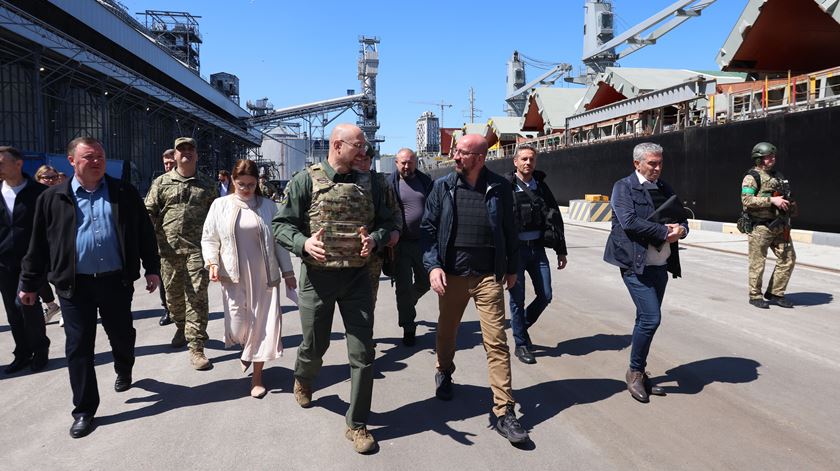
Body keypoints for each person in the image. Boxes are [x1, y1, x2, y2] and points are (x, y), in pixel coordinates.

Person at [18, 137, 160, 438]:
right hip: (74, 285)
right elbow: (39, 244)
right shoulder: (52, 198)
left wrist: (152, 268)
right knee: (78, 348)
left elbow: (144, 232)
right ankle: (84, 410)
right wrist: (29, 283)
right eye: (88, 156)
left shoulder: (123, 191)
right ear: (71, 161)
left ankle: (124, 366)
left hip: (115, 281)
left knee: (122, 335)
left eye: (100, 156)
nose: (96, 161)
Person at [273, 123, 396, 454]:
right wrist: (302, 243)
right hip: (317, 279)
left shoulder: (374, 183)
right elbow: (281, 225)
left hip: (357, 278)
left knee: (363, 353)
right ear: (337, 145)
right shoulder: (305, 180)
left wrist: (376, 238)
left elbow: (389, 222)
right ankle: (304, 376)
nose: (364, 151)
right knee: (315, 346)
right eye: (358, 145)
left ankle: (356, 424)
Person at [420, 134, 528, 444]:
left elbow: (510, 229)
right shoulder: (443, 187)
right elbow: (428, 231)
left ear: (479, 158)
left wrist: (511, 267)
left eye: (462, 153)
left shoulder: (500, 188)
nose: (455, 156)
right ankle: (444, 369)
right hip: (451, 275)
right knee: (446, 332)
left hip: (486, 277)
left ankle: (504, 411)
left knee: (496, 341)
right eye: (456, 151)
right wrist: (434, 266)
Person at [202, 159, 297, 398]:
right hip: (233, 275)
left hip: (265, 277)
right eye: (241, 184)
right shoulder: (219, 205)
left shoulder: (268, 207)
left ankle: (257, 377)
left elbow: (279, 243)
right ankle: (247, 350)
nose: (246, 189)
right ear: (233, 181)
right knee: (237, 327)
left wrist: (288, 273)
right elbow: (209, 238)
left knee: (262, 326)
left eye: (251, 184)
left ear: (258, 183)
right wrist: (212, 262)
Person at [603, 142, 688, 404]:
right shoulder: (623, 187)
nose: (657, 168)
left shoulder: (664, 187)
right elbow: (628, 221)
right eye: (652, 163)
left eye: (660, 163)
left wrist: (682, 231)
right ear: (637, 163)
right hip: (635, 265)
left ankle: (639, 369)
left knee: (644, 319)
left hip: (660, 265)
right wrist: (664, 232)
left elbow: (681, 216)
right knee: (651, 318)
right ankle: (635, 372)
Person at [145, 137, 217, 370]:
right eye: (181, 149)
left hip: (198, 250)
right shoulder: (161, 182)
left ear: (196, 155)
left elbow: (217, 218)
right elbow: (149, 212)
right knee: (173, 300)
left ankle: (196, 347)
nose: (186, 152)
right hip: (168, 251)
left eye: (190, 149)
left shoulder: (207, 184)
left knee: (196, 296)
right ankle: (180, 326)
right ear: (174, 156)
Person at [505, 144, 568, 365]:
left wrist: (561, 250)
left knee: (546, 295)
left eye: (531, 159)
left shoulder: (541, 187)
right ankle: (521, 344)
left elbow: (555, 217)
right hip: (515, 252)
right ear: (515, 162)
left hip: (537, 250)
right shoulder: (506, 187)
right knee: (517, 299)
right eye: (523, 159)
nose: (528, 163)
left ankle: (520, 325)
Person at [0, 146, 50, 374]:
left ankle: (40, 350)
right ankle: (22, 352)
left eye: (2, 162)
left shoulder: (38, 193)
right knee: (12, 310)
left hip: (31, 261)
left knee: (26, 305)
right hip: (4, 262)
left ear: (18, 164)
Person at [741, 142, 796, 309]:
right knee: (758, 263)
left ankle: (776, 292)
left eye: (773, 156)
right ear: (759, 159)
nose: (772, 158)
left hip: (780, 225)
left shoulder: (778, 175)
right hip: (760, 227)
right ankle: (755, 295)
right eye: (768, 156)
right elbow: (747, 200)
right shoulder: (752, 177)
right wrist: (772, 200)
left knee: (788, 258)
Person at [387, 148, 433, 346]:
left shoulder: (426, 181)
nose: (407, 166)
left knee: (426, 281)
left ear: (416, 162)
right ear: (396, 163)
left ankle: (408, 303)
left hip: (424, 242)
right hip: (401, 245)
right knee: (403, 287)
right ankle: (408, 326)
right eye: (403, 162)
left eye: (410, 162)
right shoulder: (389, 184)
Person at [353, 143, 401, 322]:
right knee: (349, 299)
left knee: (369, 296)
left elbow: (394, 210)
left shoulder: (380, 182)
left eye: (366, 159)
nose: (362, 163)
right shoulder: (341, 179)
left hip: (374, 251)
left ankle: (366, 336)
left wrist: (396, 230)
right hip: (346, 250)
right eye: (358, 159)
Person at [33, 165, 62, 325]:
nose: (50, 180)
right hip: (39, 246)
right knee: (39, 278)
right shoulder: (32, 197)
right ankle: (51, 306)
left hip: (59, 246)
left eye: (53, 177)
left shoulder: (63, 195)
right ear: (38, 179)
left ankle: (65, 308)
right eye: (46, 177)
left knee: (60, 279)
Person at [157, 149, 176, 327]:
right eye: (166, 164)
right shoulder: (159, 184)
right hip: (165, 244)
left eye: (171, 163)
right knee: (165, 280)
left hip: (190, 244)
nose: (168, 166)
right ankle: (168, 310)